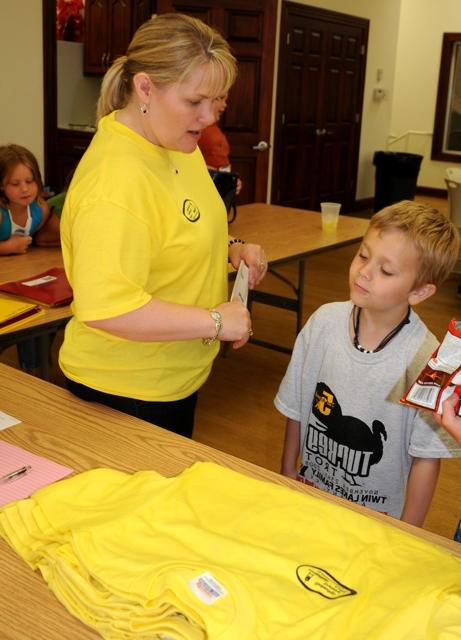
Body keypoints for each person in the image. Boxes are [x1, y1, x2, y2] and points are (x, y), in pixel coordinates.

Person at [59, 13, 267, 438]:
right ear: (145, 87)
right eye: (195, 102)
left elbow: (175, 220)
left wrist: (231, 246)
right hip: (123, 387)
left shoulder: (174, 140)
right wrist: (215, 321)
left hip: (171, 377)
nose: (209, 117)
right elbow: (108, 307)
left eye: (216, 100)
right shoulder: (114, 182)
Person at [275, 200, 461, 527]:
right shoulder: (322, 324)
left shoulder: (429, 361)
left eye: (386, 270)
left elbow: (426, 458)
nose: (364, 271)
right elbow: (297, 408)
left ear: (419, 292)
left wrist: (407, 533)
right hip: (308, 500)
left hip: (376, 523)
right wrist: (288, 472)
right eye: (363, 254)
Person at [0, 144, 60, 374]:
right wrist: (6, 247)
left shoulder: (40, 210)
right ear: (1, 185)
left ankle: (37, 368)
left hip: (21, 278)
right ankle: (30, 369)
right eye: (15, 184)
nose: (25, 189)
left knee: (39, 313)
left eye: (30, 181)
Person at [198, 93, 242, 195]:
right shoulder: (196, 128)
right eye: (221, 98)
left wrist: (231, 179)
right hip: (204, 187)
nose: (225, 104)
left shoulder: (214, 128)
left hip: (219, 187)